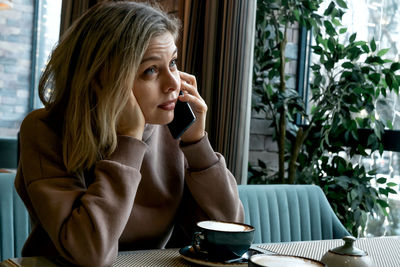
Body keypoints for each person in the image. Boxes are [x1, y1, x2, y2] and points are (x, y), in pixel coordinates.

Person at [14, 1, 244, 266]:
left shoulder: (171, 127)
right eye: (151, 70)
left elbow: (230, 237)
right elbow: (90, 253)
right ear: (101, 77)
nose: (173, 83)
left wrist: (197, 145)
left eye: (173, 63)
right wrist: (129, 143)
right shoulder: (45, 129)